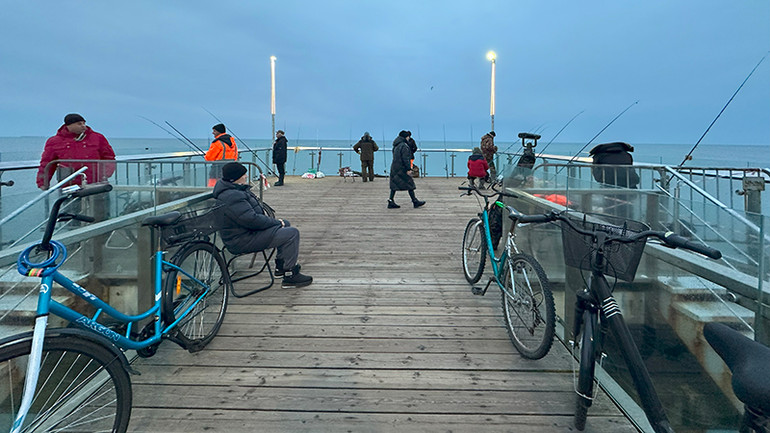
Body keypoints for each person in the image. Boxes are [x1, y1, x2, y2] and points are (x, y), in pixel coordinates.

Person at [213, 162, 313, 288]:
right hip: (242, 240)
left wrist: (277, 223)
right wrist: (277, 222)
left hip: (246, 233)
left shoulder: (234, 191)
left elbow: (250, 219)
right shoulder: (232, 196)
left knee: (286, 224)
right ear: (235, 178)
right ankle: (290, 275)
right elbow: (251, 220)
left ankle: (281, 268)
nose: (246, 176)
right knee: (292, 233)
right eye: (243, 175)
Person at [36, 113, 116, 189]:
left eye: (84, 123)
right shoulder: (54, 141)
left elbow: (109, 157)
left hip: (97, 183)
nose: (83, 126)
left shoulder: (98, 138)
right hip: (68, 184)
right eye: (79, 124)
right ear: (69, 125)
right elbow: (47, 163)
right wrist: (43, 183)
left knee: (99, 199)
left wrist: (105, 174)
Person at [388, 131, 425, 209]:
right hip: (402, 168)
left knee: (394, 184)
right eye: (408, 137)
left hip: (395, 167)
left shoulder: (396, 145)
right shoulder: (404, 146)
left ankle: (391, 200)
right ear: (406, 137)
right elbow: (405, 158)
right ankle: (415, 201)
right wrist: (408, 169)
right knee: (410, 184)